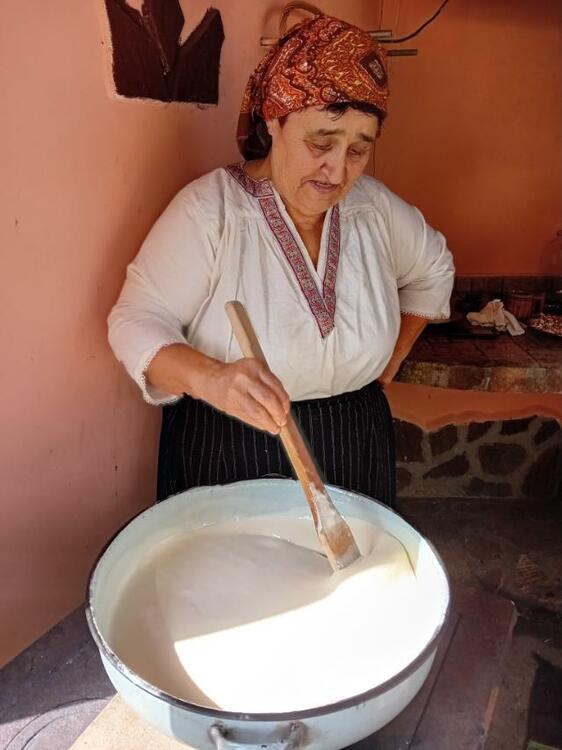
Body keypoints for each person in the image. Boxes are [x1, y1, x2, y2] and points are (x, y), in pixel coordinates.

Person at [108, 12, 454, 508]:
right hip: (229, 445)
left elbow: (434, 267)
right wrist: (212, 378)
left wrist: (386, 364)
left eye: (360, 149)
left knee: (354, 581)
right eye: (321, 142)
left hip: (354, 441)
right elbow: (135, 320)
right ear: (275, 119)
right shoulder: (213, 211)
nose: (337, 170)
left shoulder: (372, 209)